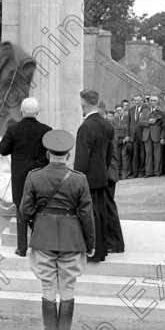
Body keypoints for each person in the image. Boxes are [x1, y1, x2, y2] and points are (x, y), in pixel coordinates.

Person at [20, 129, 95, 330]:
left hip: (43, 236)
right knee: (68, 286)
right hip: (72, 239)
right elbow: (87, 214)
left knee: (47, 285)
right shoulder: (79, 179)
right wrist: (90, 243)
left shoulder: (34, 176)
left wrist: (41, 219)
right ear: (68, 155)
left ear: (47, 154)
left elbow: (25, 210)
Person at [0, 97, 52, 257]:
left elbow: (2, 149)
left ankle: (22, 248)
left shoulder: (13, 130)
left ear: (21, 111)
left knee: (21, 210)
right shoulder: (46, 130)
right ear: (37, 112)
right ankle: (40, 247)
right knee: (39, 209)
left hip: (20, 177)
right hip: (40, 176)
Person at [74, 89, 113, 264]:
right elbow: (109, 154)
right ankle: (101, 250)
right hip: (101, 174)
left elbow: (82, 157)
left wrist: (76, 178)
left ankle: (93, 251)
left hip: (88, 177)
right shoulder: (106, 124)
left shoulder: (86, 126)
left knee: (90, 215)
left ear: (83, 103)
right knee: (100, 213)